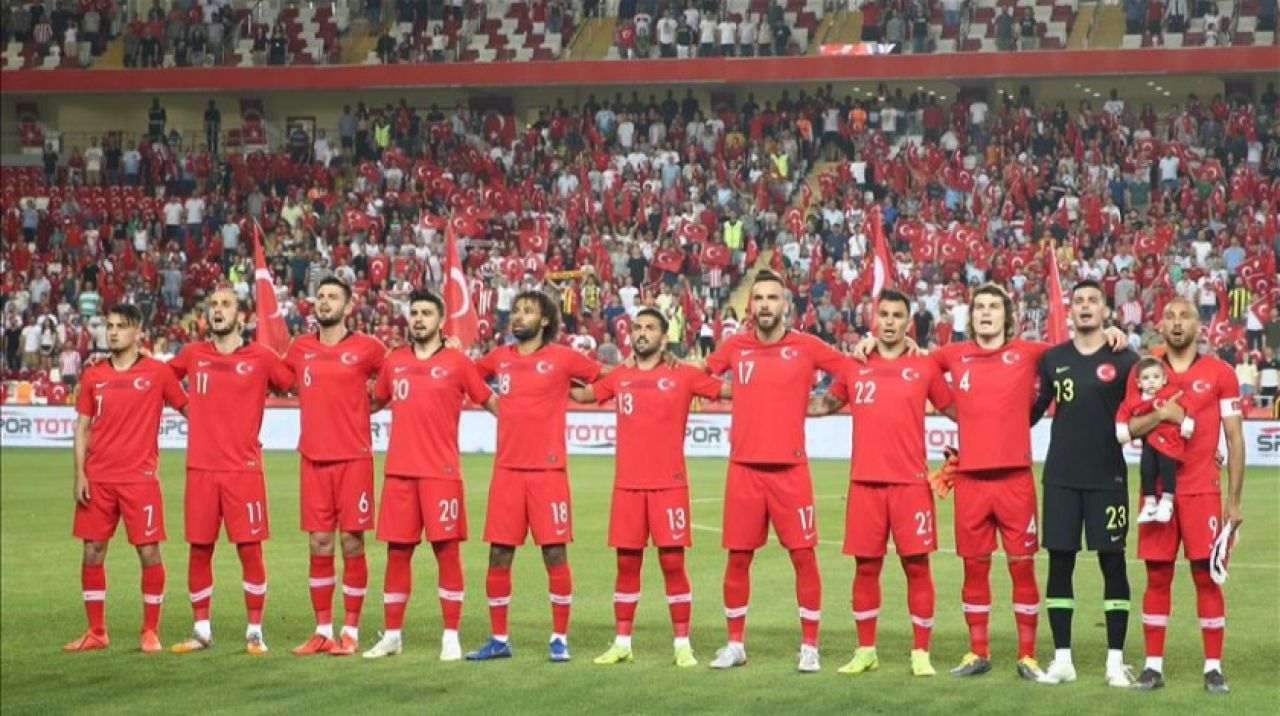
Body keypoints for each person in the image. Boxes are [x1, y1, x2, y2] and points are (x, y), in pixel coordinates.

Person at [922, 283, 1128, 681]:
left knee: (1022, 567)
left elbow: (1077, 350)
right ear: (971, 316)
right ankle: (977, 651)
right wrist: (951, 407)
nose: (985, 313)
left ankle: (1028, 655)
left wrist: (1110, 334)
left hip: (1015, 480)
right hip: (970, 481)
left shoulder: (1030, 352)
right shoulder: (953, 354)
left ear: (1007, 316)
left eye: (993, 307)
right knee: (974, 569)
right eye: (979, 307)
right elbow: (919, 366)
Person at [701, 270, 849, 672]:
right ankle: (735, 644)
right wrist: (728, 390)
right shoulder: (736, 346)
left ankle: (810, 646)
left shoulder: (806, 345)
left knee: (803, 557)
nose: (765, 304)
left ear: (786, 304)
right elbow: (698, 376)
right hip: (744, 470)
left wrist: (827, 403)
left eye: (772, 298)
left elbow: (850, 371)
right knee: (738, 558)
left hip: (790, 471)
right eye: (759, 298)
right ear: (750, 306)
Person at [570, 308, 727, 668]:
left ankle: (682, 644)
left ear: (664, 336)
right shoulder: (621, 374)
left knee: (672, 563)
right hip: (627, 486)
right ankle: (622, 642)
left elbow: (726, 390)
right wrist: (550, 376)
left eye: (650, 328)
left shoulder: (682, 374)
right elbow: (584, 395)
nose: (641, 333)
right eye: (637, 327)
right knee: (626, 564)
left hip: (669, 486)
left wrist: (766, 379)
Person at [809, 290, 952, 678]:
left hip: (911, 485)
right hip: (865, 484)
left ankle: (920, 652)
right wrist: (772, 402)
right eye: (883, 314)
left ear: (909, 322)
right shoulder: (855, 365)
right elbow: (824, 405)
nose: (889, 321)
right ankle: (865, 650)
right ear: (875, 320)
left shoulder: (924, 366)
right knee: (866, 568)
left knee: (917, 567)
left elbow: (957, 410)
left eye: (897, 315)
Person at [466, 290, 602, 662]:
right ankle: (499, 639)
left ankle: (559, 638)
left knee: (554, 553)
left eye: (528, 311)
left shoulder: (562, 357)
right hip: (507, 471)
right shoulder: (500, 357)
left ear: (544, 320)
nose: (518, 316)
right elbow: (466, 374)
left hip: (548, 472)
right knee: (498, 554)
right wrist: (493, 403)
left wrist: (644, 368)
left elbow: (605, 375)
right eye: (516, 310)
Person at [362, 290, 497, 661]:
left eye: (426, 313)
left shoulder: (458, 362)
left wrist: (532, 417)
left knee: (447, 553)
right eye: (415, 313)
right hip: (399, 474)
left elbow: (491, 401)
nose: (419, 319)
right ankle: (392, 635)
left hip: (441, 474)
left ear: (441, 321)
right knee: (397, 554)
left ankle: (450, 636)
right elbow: (372, 403)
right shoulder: (395, 361)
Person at [1125, 298, 1244, 694]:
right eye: (1170, 316)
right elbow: (1130, 428)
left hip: (1202, 491)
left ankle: (1213, 668)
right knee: (1157, 576)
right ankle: (1152, 667)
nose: (1177, 323)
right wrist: (1163, 415)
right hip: (1157, 495)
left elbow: (1234, 437)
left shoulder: (1220, 373)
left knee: (1207, 578)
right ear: (1160, 324)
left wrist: (1234, 500)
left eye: (1185, 316)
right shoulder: (1144, 371)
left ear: (1199, 325)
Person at [165, 288, 292, 655]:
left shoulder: (261, 358)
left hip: (243, 470)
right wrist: (185, 406)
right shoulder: (193, 354)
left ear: (242, 315)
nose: (218, 310)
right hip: (201, 469)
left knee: (250, 550)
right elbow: (162, 378)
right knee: (199, 549)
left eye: (226, 304)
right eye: (213, 305)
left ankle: (254, 631)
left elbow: (291, 381)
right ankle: (201, 630)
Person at [1030, 280, 1140, 687]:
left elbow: (1148, 402)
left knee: (1113, 562)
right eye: (1078, 301)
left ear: (1105, 310)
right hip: (1061, 476)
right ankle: (1063, 660)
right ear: (1071, 310)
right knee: (1060, 562)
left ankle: (1115, 662)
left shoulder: (1125, 358)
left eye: (1093, 300)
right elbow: (1032, 411)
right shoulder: (1052, 358)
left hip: (1108, 477)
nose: (1086, 306)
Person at [64, 304, 188, 652]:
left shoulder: (158, 373)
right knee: (92, 551)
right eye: (110, 325)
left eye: (121, 326)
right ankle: (96, 631)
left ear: (138, 333)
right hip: (98, 479)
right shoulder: (94, 375)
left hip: (140, 479)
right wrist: (79, 474)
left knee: (148, 552)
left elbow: (190, 409)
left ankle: (150, 631)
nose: (113, 331)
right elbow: (82, 428)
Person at [281, 277, 387, 656]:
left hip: (353, 459)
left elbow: (393, 377)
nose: (324, 302)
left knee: (351, 541)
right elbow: (279, 378)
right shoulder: (300, 347)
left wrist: (373, 403)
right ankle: (323, 629)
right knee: (319, 542)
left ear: (348, 306)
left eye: (332, 297)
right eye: (320, 296)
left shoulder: (368, 348)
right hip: (313, 458)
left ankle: (351, 631)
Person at [1118, 359, 1193, 525]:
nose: (1151, 381)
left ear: (1164, 380)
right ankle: (1150, 504)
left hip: (1170, 441)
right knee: (1146, 471)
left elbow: (1187, 404)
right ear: (1138, 382)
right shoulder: (1134, 400)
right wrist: (1121, 427)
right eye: (1146, 378)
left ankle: (1166, 502)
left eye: (1156, 377)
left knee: (1167, 469)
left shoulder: (1170, 394)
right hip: (1150, 443)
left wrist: (1188, 421)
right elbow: (1123, 412)